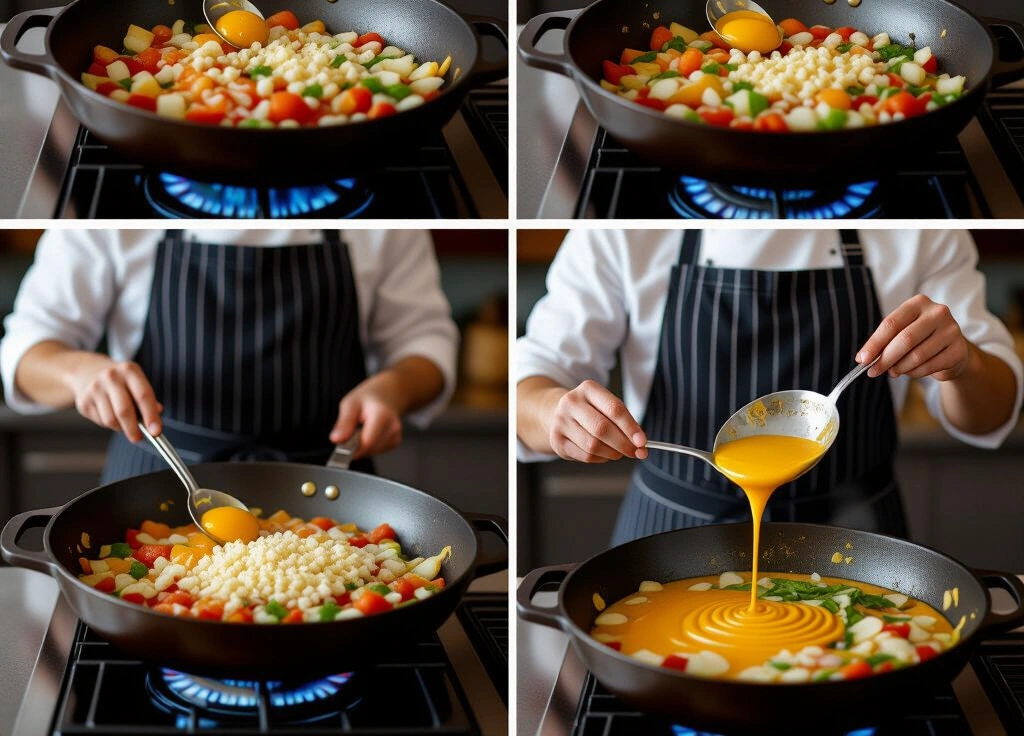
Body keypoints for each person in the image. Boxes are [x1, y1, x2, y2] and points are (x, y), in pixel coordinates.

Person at [517, 230, 1022, 545]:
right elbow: (530, 388)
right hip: (668, 541)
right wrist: (554, 412)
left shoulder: (919, 232)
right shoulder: (620, 231)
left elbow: (991, 415)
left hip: (859, 545)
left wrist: (965, 364)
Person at [1, 229, 458, 482]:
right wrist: (80, 372)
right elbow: (24, 353)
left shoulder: (383, 227)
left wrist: (395, 388)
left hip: (332, 485)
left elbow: (425, 342)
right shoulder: (105, 223)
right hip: (152, 482)